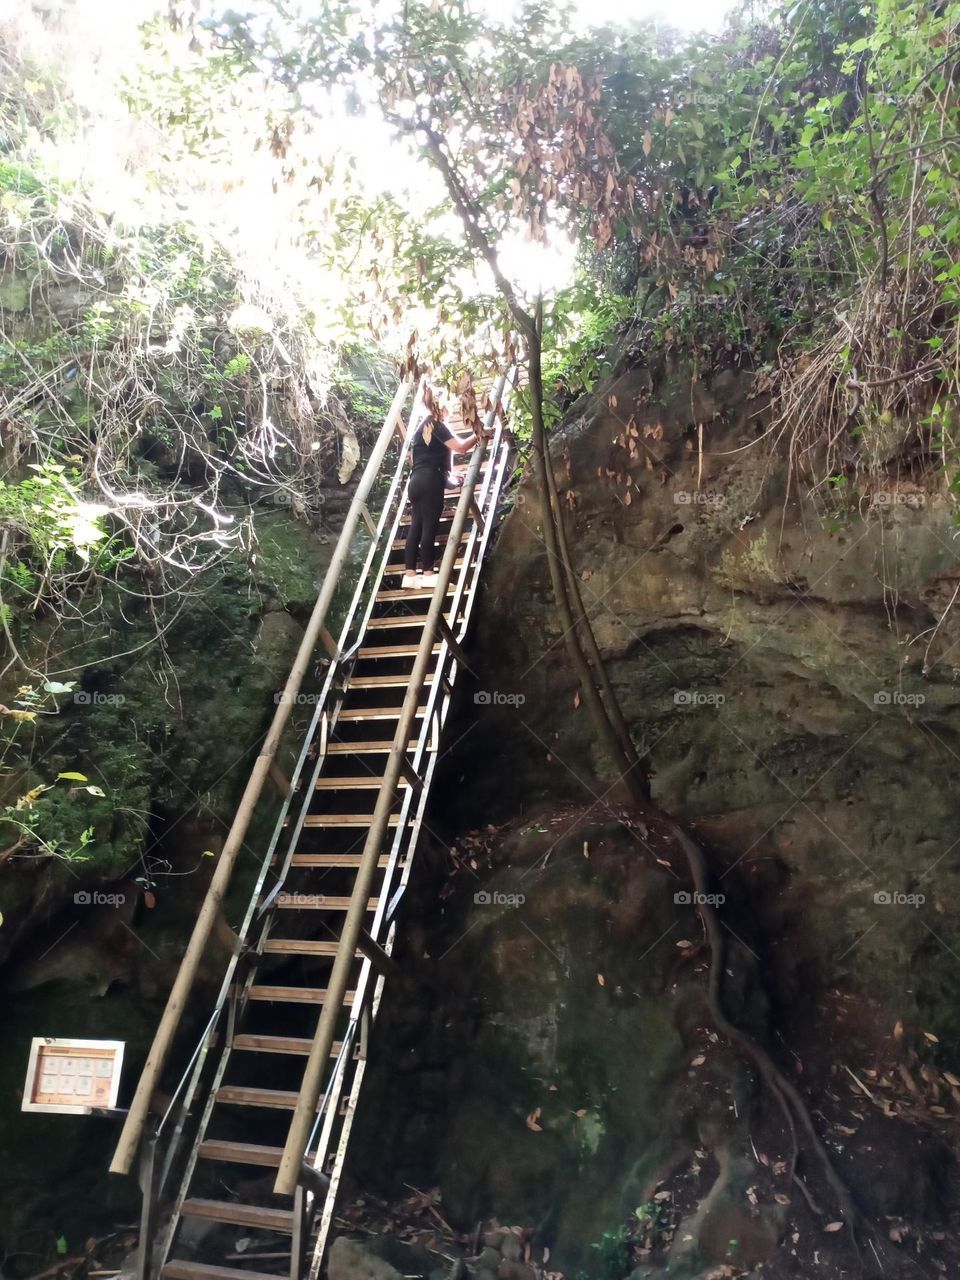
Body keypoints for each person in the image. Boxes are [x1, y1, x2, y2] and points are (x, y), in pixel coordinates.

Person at [402, 412, 480, 588]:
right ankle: (428, 574)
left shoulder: (418, 432)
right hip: (431, 482)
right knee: (429, 526)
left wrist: (452, 477)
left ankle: (410, 575)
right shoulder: (437, 424)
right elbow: (460, 447)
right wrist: (480, 434)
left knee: (416, 526)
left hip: (415, 481)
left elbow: (421, 461)